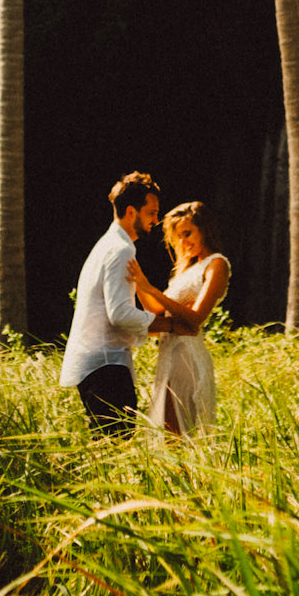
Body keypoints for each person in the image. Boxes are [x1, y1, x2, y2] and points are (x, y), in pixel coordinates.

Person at [60, 172, 197, 435]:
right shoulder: (120, 250)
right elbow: (120, 314)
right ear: (132, 212)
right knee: (115, 444)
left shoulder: (108, 245)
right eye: (151, 213)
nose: (156, 220)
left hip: (99, 363)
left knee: (107, 447)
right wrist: (169, 324)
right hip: (105, 366)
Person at [130, 201, 228, 435]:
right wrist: (138, 281)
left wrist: (152, 289)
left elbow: (195, 318)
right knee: (169, 434)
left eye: (188, 233)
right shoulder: (185, 270)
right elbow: (156, 311)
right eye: (178, 238)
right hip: (168, 356)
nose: (184, 243)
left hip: (187, 356)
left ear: (204, 230)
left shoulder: (216, 264)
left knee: (180, 436)